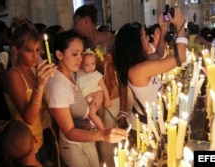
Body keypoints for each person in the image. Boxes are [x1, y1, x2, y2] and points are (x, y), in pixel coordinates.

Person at [43, 30, 128, 167]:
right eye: (75, 54)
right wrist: (103, 135)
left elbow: (93, 83)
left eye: (81, 53)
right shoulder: (57, 87)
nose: (80, 59)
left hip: (86, 142)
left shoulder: (72, 74)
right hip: (75, 148)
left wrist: (99, 94)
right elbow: (69, 131)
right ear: (59, 54)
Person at [113, 7, 187, 140]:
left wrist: (163, 28)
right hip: (144, 129)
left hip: (151, 123)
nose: (147, 38)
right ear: (135, 43)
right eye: (143, 36)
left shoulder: (139, 63)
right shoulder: (138, 69)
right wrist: (181, 26)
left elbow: (158, 54)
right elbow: (180, 57)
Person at [73, 4, 128, 166]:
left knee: (108, 142)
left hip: (110, 95)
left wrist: (123, 111)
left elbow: (121, 74)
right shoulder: (80, 46)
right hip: (88, 99)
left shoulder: (109, 40)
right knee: (96, 138)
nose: (74, 27)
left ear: (86, 21)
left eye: (76, 22)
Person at [3, 21, 59, 167]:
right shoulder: (13, 75)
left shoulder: (33, 71)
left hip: (42, 139)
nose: (35, 55)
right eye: (29, 51)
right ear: (16, 50)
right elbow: (29, 117)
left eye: (37, 50)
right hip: (25, 148)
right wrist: (39, 86)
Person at [76, 48, 112, 130]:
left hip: (95, 96)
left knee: (91, 114)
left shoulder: (97, 75)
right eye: (87, 65)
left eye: (93, 64)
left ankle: (102, 129)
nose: (90, 67)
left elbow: (104, 87)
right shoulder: (79, 72)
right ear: (81, 64)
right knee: (89, 114)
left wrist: (107, 100)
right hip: (85, 98)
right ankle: (95, 126)